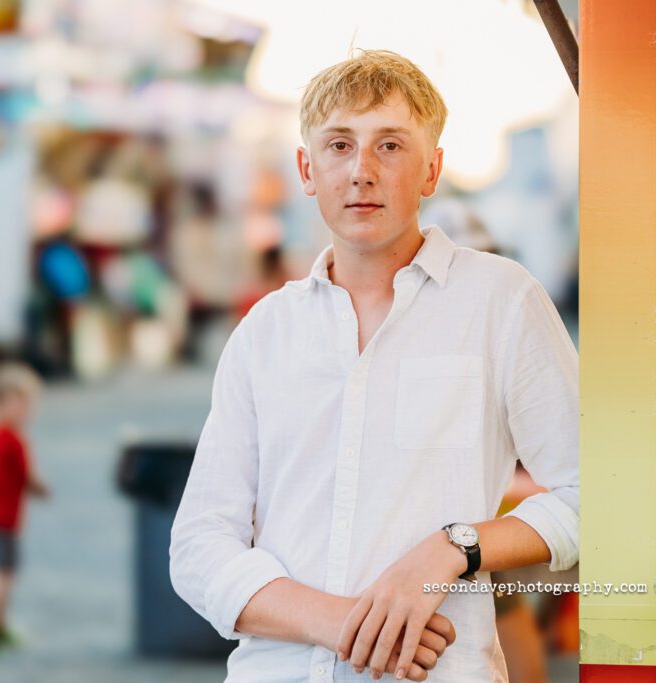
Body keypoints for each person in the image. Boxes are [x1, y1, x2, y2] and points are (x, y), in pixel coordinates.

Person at [170, 50, 578, 682]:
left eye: (390, 145)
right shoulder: (264, 333)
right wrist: (340, 624)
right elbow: (199, 548)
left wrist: (454, 548)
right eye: (338, 145)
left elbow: (595, 495)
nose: (361, 171)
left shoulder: (501, 300)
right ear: (307, 169)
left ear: (432, 170)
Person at [0, 363, 49, 653]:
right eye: (20, 404)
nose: (26, 411)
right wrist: (40, 489)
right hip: (2, 518)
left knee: (5, 570)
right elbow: (27, 477)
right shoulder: (13, 440)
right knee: (4, 573)